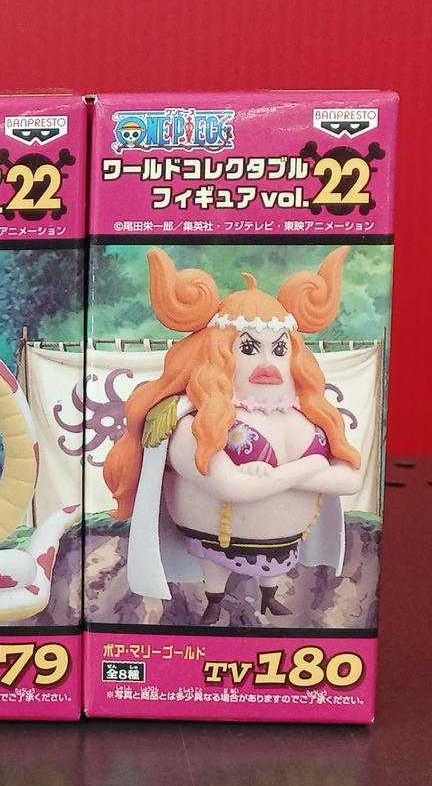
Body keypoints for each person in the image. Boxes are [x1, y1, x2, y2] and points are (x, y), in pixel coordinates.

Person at [104, 249, 362, 625]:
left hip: (285, 540)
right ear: (215, 354)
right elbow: (231, 487)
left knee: (274, 573)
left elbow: (350, 480)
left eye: (278, 348)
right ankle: (214, 601)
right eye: (248, 348)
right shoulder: (194, 423)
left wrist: (278, 477)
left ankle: (269, 594)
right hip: (216, 536)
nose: (267, 363)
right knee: (216, 567)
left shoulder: (312, 418)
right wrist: (309, 468)